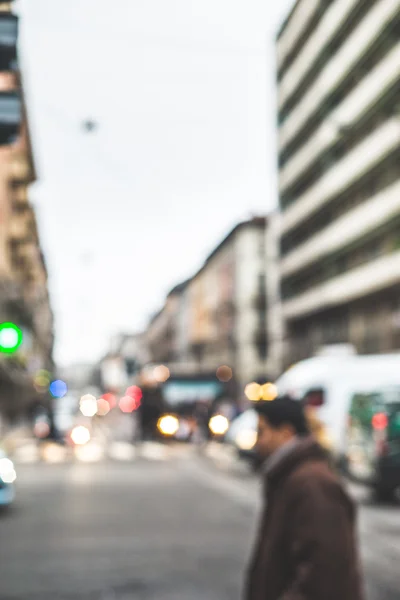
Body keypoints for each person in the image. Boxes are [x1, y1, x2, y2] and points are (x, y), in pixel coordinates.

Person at [244, 395, 364, 600]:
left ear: (285, 432)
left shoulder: (312, 484)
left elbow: (325, 575)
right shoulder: (291, 476)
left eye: (261, 432)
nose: (256, 441)